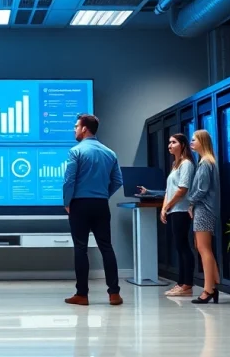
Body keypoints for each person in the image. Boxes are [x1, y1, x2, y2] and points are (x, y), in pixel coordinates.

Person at [62, 113, 124, 306]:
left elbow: (69, 181)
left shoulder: (76, 151)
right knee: (106, 247)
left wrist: (67, 202)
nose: (74, 129)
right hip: (101, 204)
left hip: (79, 204)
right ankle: (114, 294)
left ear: (84, 129)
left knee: (80, 248)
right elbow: (118, 181)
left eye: (76, 126)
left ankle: (82, 294)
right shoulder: (110, 153)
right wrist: (103, 194)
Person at [139, 133, 196, 297]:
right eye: (169, 142)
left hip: (181, 210)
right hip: (173, 210)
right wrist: (164, 208)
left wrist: (167, 206)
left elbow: (182, 189)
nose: (169, 145)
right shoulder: (175, 165)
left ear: (182, 145)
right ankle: (181, 283)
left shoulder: (187, 164)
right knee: (179, 247)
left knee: (183, 247)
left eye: (173, 142)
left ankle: (187, 285)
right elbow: (168, 191)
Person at [188, 129, 221, 304]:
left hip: (204, 209)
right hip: (207, 209)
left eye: (194, 139)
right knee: (202, 247)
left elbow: (201, 189)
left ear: (202, 141)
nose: (191, 142)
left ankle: (208, 290)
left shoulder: (205, 163)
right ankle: (214, 283)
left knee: (203, 248)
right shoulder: (208, 162)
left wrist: (190, 202)